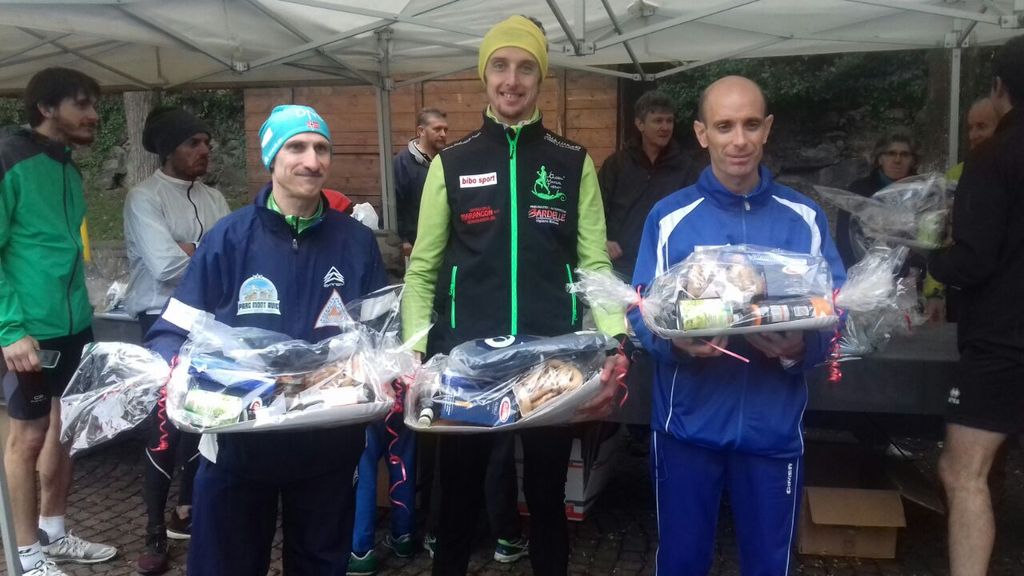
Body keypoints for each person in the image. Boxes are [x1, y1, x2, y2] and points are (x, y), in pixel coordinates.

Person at [400, 15, 628, 576]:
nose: (512, 80)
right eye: (500, 66)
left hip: (552, 362)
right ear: (485, 76)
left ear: (540, 78)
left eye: (526, 68)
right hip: (467, 364)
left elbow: (594, 264)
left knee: (547, 499)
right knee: (457, 500)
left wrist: (616, 337)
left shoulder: (571, 161)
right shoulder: (451, 162)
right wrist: (412, 349)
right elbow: (423, 270)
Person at [146, 104, 388, 576]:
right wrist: (173, 372)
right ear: (271, 158)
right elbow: (172, 331)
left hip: (328, 447)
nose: (312, 161)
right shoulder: (229, 237)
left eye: (321, 148)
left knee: (320, 566)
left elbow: (381, 335)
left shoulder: (357, 242)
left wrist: (390, 371)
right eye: (296, 147)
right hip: (237, 447)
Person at [630, 75, 845, 575]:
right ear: (702, 133)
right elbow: (639, 310)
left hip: (772, 429)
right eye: (724, 126)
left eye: (750, 124)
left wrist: (800, 349)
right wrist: (677, 346)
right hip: (687, 427)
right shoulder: (670, 217)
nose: (739, 140)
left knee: (769, 566)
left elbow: (838, 307)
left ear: (767, 128)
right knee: (682, 563)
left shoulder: (803, 218)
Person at [0, 67, 117, 576]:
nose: (93, 115)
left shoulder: (68, 168)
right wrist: (9, 329)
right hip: (26, 330)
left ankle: (54, 532)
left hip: (73, 326)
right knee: (26, 438)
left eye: (94, 105)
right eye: (81, 104)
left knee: (65, 429)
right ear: (47, 108)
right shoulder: (10, 159)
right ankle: (26, 556)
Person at [928, 35, 1024, 576]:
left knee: (963, 472)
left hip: (1004, 340)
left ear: (999, 88)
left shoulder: (991, 158)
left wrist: (929, 257)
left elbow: (974, 261)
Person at [123, 105, 231, 574]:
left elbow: (231, 258)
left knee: (206, 418)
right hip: (161, 319)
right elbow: (165, 266)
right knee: (164, 427)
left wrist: (192, 250)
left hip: (209, 320)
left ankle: (186, 511)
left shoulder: (214, 198)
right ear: (169, 149)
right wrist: (206, 253)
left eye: (207, 142)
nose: (204, 150)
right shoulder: (143, 198)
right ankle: (153, 529)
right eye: (193, 143)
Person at [598, 90, 699, 279]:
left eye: (669, 121)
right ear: (640, 124)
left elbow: (695, 217)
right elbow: (595, 209)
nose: (665, 127)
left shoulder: (686, 167)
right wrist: (603, 240)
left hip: (668, 267)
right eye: (658, 121)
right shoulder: (617, 164)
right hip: (620, 265)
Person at [924, 97, 1001, 324]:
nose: (973, 135)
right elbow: (934, 236)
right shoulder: (955, 176)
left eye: (982, 126)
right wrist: (934, 293)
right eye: (970, 128)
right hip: (965, 292)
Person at [835, 130, 919, 267]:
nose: (897, 160)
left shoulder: (925, 192)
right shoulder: (859, 190)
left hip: (914, 271)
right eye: (891, 153)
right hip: (866, 269)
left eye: (904, 155)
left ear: (913, 160)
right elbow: (844, 238)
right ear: (880, 159)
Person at [395, 108, 448, 258]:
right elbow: (392, 204)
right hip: (414, 248)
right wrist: (402, 241)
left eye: (445, 130)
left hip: (443, 245)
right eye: (437, 129)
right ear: (421, 131)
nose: (443, 134)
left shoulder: (447, 160)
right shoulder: (402, 163)